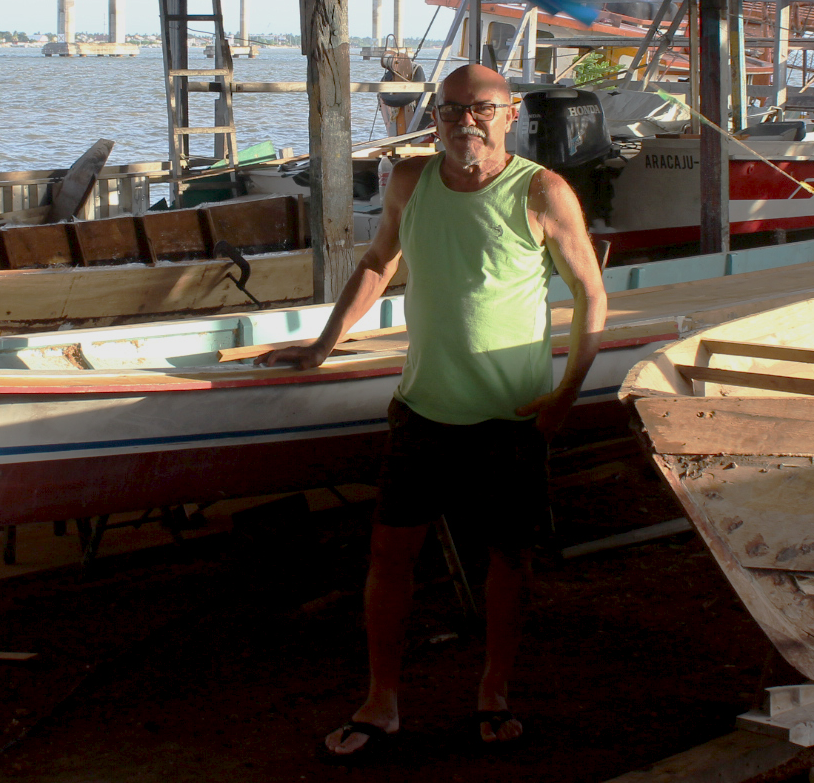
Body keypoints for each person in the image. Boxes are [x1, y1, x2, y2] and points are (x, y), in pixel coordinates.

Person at [257, 63, 606, 757]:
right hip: (423, 411)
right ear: (436, 118)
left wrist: (566, 394)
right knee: (390, 556)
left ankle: (493, 689)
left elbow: (591, 296)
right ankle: (382, 698)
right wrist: (324, 345)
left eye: (481, 109)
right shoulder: (410, 181)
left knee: (509, 559)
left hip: (512, 417)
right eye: (450, 110)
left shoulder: (542, 191)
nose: (464, 121)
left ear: (509, 115)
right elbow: (377, 262)